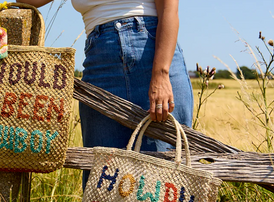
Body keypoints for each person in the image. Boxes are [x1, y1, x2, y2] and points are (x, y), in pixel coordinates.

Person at [16, 0, 193, 188]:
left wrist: (161, 74)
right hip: (100, 58)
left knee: (164, 181)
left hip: (152, 53)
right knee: (103, 183)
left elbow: (169, 8)